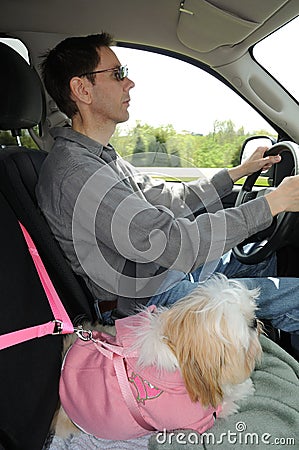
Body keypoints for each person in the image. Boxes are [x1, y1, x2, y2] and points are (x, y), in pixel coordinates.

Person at [36, 33, 299, 344]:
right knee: (294, 293)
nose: (129, 83)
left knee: (261, 259)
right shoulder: (78, 172)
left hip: (159, 277)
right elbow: (173, 242)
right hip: (144, 306)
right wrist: (273, 203)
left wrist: (239, 172)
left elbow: (170, 199)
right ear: (82, 89)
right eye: (117, 74)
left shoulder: (100, 157)